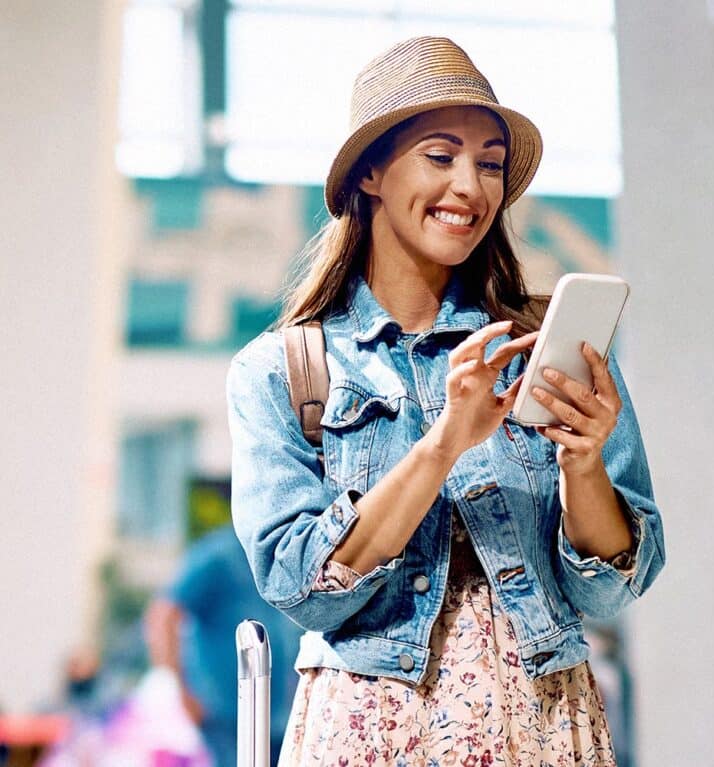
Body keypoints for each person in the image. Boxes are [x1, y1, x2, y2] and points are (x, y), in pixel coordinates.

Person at [227, 36, 665, 766]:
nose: (470, 187)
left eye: (489, 164)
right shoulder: (281, 371)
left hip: (543, 722)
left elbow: (609, 594)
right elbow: (301, 588)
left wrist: (583, 462)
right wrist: (444, 442)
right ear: (369, 173)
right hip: (371, 731)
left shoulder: (539, 350)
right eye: (440, 156)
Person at [144, 523, 301, 767]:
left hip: (275, 716)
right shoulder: (218, 555)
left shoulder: (278, 554)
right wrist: (180, 689)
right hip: (226, 715)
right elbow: (163, 615)